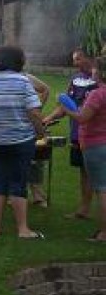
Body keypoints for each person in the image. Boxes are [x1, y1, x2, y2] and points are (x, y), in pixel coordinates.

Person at [0, 45, 45, 239]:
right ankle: (23, 229)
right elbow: (34, 112)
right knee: (18, 182)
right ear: (19, 62)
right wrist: (40, 132)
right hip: (20, 140)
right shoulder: (23, 82)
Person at [43, 47, 97, 219]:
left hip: (96, 134)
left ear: (90, 58)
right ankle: (84, 209)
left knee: (97, 174)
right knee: (84, 171)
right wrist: (47, 119)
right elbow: (65, 106)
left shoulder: (100, 81)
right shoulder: (75, 79)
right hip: (77, 133)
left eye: (78, 59)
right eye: (74, 59)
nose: (75, 63)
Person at [60, 56, 106, 241]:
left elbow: (82, 118)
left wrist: (67, 109)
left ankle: (104, 233)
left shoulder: (98, 94)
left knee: (102, 189)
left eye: (95, 69)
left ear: (100, 72)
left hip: (96, 145)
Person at [25, 73, 50, 207]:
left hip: (28, 124)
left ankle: (36, 193)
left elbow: (45, 89)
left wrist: (37, 108)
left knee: (36, 157)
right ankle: (13, 193)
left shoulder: (26, 77)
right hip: (10, 126)